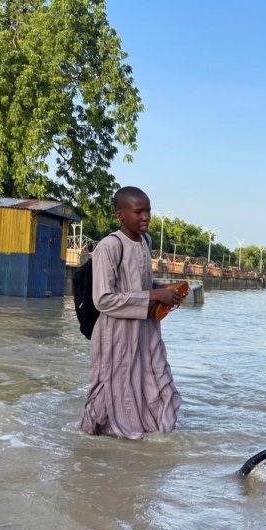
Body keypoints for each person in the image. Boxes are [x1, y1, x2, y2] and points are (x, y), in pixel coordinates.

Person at [81, 186, 183, 439]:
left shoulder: (146, 241)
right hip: (117, 333)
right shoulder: (110, 246)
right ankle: (99, 443)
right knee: (114, 387)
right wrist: (153, 295)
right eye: (138, 212)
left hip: (146, 331)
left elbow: (141, 284)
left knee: (155, 378)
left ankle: (151, 436)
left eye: (148, 211)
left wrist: (165, 290)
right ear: (121, 215)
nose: (146, 217)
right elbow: (103, 299)